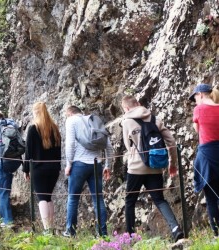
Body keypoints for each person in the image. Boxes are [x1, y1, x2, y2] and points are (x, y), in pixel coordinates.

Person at [121, 95, 184, 242]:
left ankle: (130, 238)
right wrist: (172, 163)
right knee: (160, 200)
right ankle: (175, 229)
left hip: (136, 168)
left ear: (127, 108)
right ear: (139, 103)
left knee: (130, 200)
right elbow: (172, 142)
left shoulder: (127, 122)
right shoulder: (155, 119)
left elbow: (127, 145)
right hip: (155, 166)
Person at [63, 105, 113, 237]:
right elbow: (108, 145)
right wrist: (108, 164)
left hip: (79, 164)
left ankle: (70, 231)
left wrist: (69, 164)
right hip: (97, 165)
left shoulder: (71, 121)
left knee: (73, 198)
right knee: (98, 199)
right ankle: (102, 233)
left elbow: (70, 145)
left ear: (69, 114)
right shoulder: (92, 121)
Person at [23, 102, 61, 234]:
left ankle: (47, 229)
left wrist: (26, 169)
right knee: (48, 197)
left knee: (42, 198)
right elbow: (59, 150)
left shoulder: (33, 128)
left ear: (35, 112)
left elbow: (29, 151)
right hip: (53, 169)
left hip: (39, 168)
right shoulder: (54, 128)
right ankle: (52, 228)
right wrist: (58, 166)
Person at [189, 83, 219, 237]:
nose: (194, 101)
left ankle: (217, 233)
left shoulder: (199, 109)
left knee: (211, 198)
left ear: (200, 94)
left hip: (207, 155)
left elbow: (197, 130)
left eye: (194, 97)